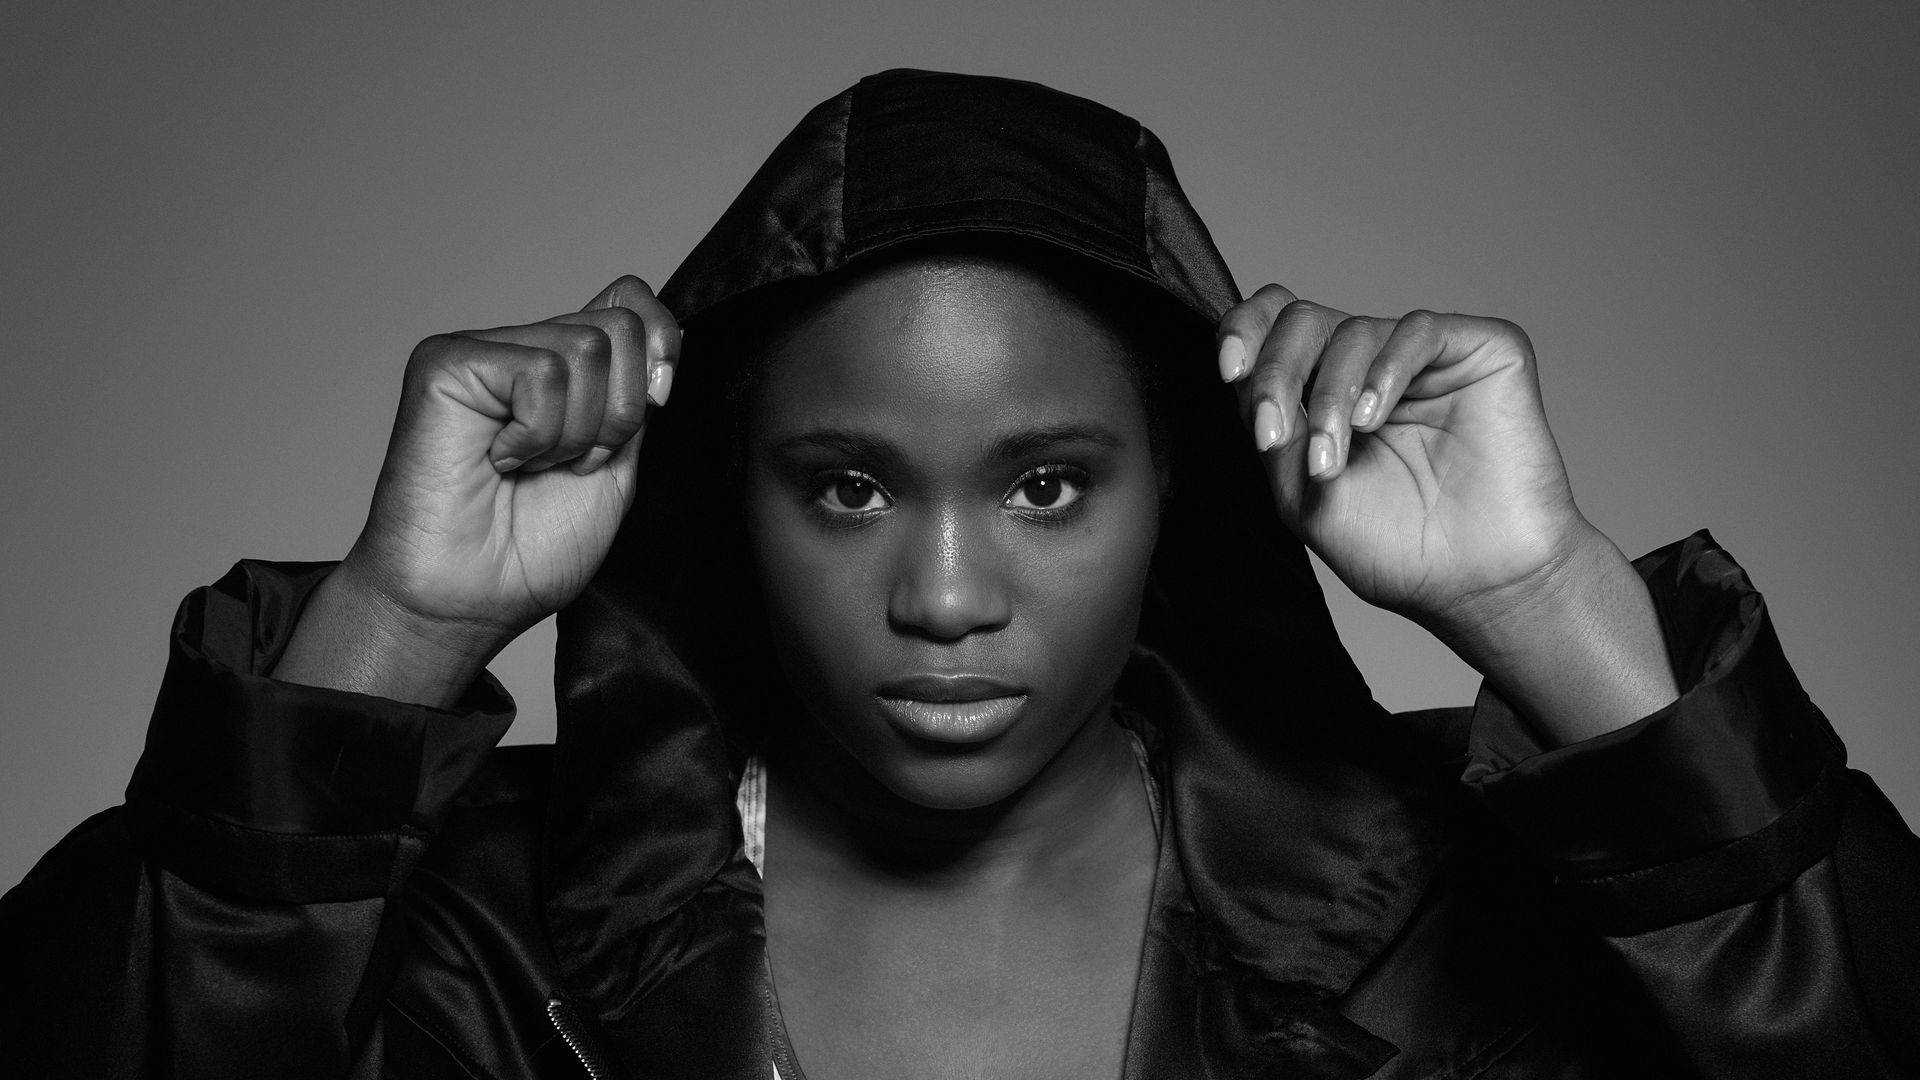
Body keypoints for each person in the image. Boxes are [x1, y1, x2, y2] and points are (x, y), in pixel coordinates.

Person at [3, 68, 1915, 1080]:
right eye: (843, 487)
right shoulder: (475, 936)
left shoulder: (1466, 916)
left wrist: (1542, 601)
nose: (942, 597)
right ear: (713, 504)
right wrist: (402, 625)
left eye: (1048, 487)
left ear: (1181, 496)